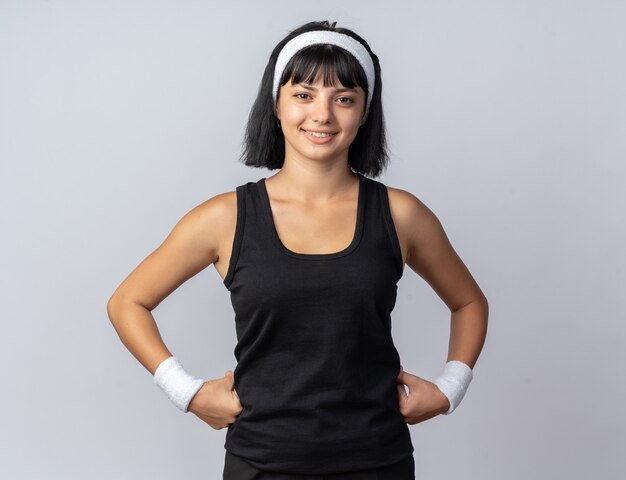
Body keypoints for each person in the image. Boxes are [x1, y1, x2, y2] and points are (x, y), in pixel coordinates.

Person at [107, 20, 488, 480]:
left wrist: (450, 388)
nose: (322, 115)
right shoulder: (225, 218)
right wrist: (185, 392)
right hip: (261, 463)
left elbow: (468, 302)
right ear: (276, 104)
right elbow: (127, 302)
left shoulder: (401, 214)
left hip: (378, 461)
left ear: (365, 111)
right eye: (304, 94)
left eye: (343, 98)